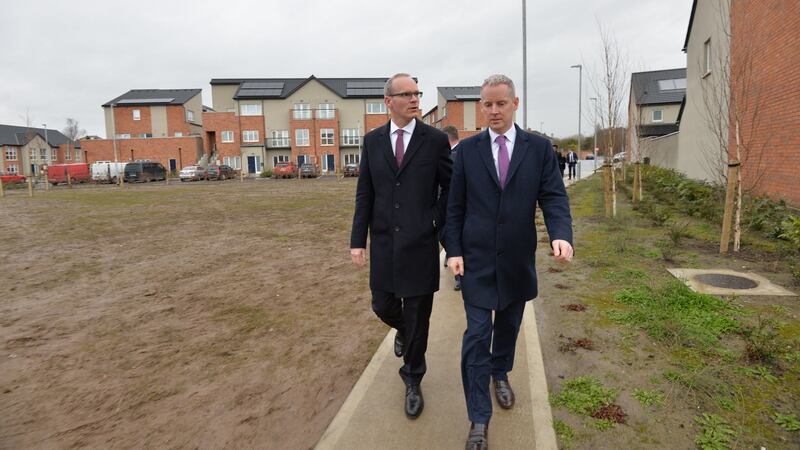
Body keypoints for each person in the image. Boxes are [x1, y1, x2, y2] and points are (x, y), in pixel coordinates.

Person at [445, 74, 573, 450]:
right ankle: (478, 419)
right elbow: (454, 208)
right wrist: (453, 250)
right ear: (481, 107)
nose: (494, 110)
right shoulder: (467, 152)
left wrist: (561, 234)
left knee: (507, 329)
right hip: (476, 262)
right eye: (487, 104)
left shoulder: (538, 149)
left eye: (501, 103)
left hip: (517, 261)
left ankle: (500, 372)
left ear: (515, 104)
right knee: (476, 336)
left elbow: (553, 197)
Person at [350, 73, 452, 419]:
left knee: (419, 311)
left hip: (421, 243)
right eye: (406, 94)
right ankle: (407, 333)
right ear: (388, 102)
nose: (414, 99)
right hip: (383, 243)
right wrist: (357, 241)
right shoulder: (372, 141)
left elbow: (450, 188)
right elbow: (365, 193)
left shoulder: (435, 140)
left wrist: (434, 220)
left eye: (417, 93)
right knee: (383, 305)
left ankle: (412, 378)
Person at [442, 125, 462, 291]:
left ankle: (459, 277)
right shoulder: (460, 153)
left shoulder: (455, 156)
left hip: (451, 207)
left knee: (451, 238)